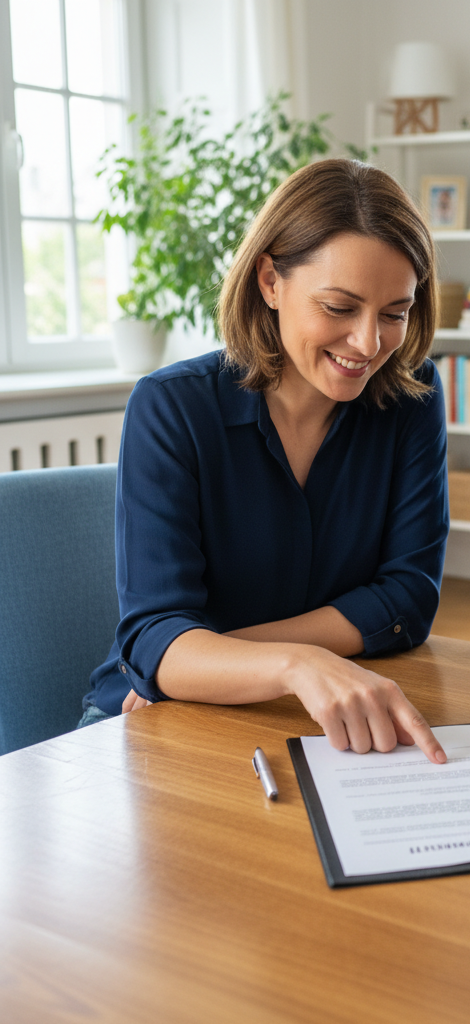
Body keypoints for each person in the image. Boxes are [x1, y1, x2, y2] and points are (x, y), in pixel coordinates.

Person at [81, 159, 449, 764]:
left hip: (300, 708)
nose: (368, 344)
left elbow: (409, 599)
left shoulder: (412, 396)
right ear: (271, 281)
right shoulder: (171, 407)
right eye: (339, 307)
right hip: (150, 714)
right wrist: (293, 662)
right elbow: (153, 639)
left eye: (394, 313)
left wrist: (214, 657)